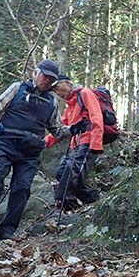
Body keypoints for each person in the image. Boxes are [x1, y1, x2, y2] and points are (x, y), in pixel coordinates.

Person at [0, 59, 90, 240]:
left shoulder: (51, 102)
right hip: (6, 142)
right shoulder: (18, 88)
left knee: (22, 188)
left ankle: (8, 230)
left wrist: (74, 128)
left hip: (31, 150)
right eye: (44, 76)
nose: (46, 81)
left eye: (51, 79)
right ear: (35, 73)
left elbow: (57, 130)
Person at [48, 74, 105, 211]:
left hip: (87, 141)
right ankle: (92, 197)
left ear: (67, 83)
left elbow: (97, 118)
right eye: (54, 90)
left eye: (57, 87)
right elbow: (60, 130)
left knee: (72, 171)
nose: (57, 92)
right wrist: (42, 143)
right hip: (75, 145)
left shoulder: (85, 94)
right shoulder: (70, 106)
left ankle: (66, 202)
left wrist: (95, 144)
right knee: (61, 173)